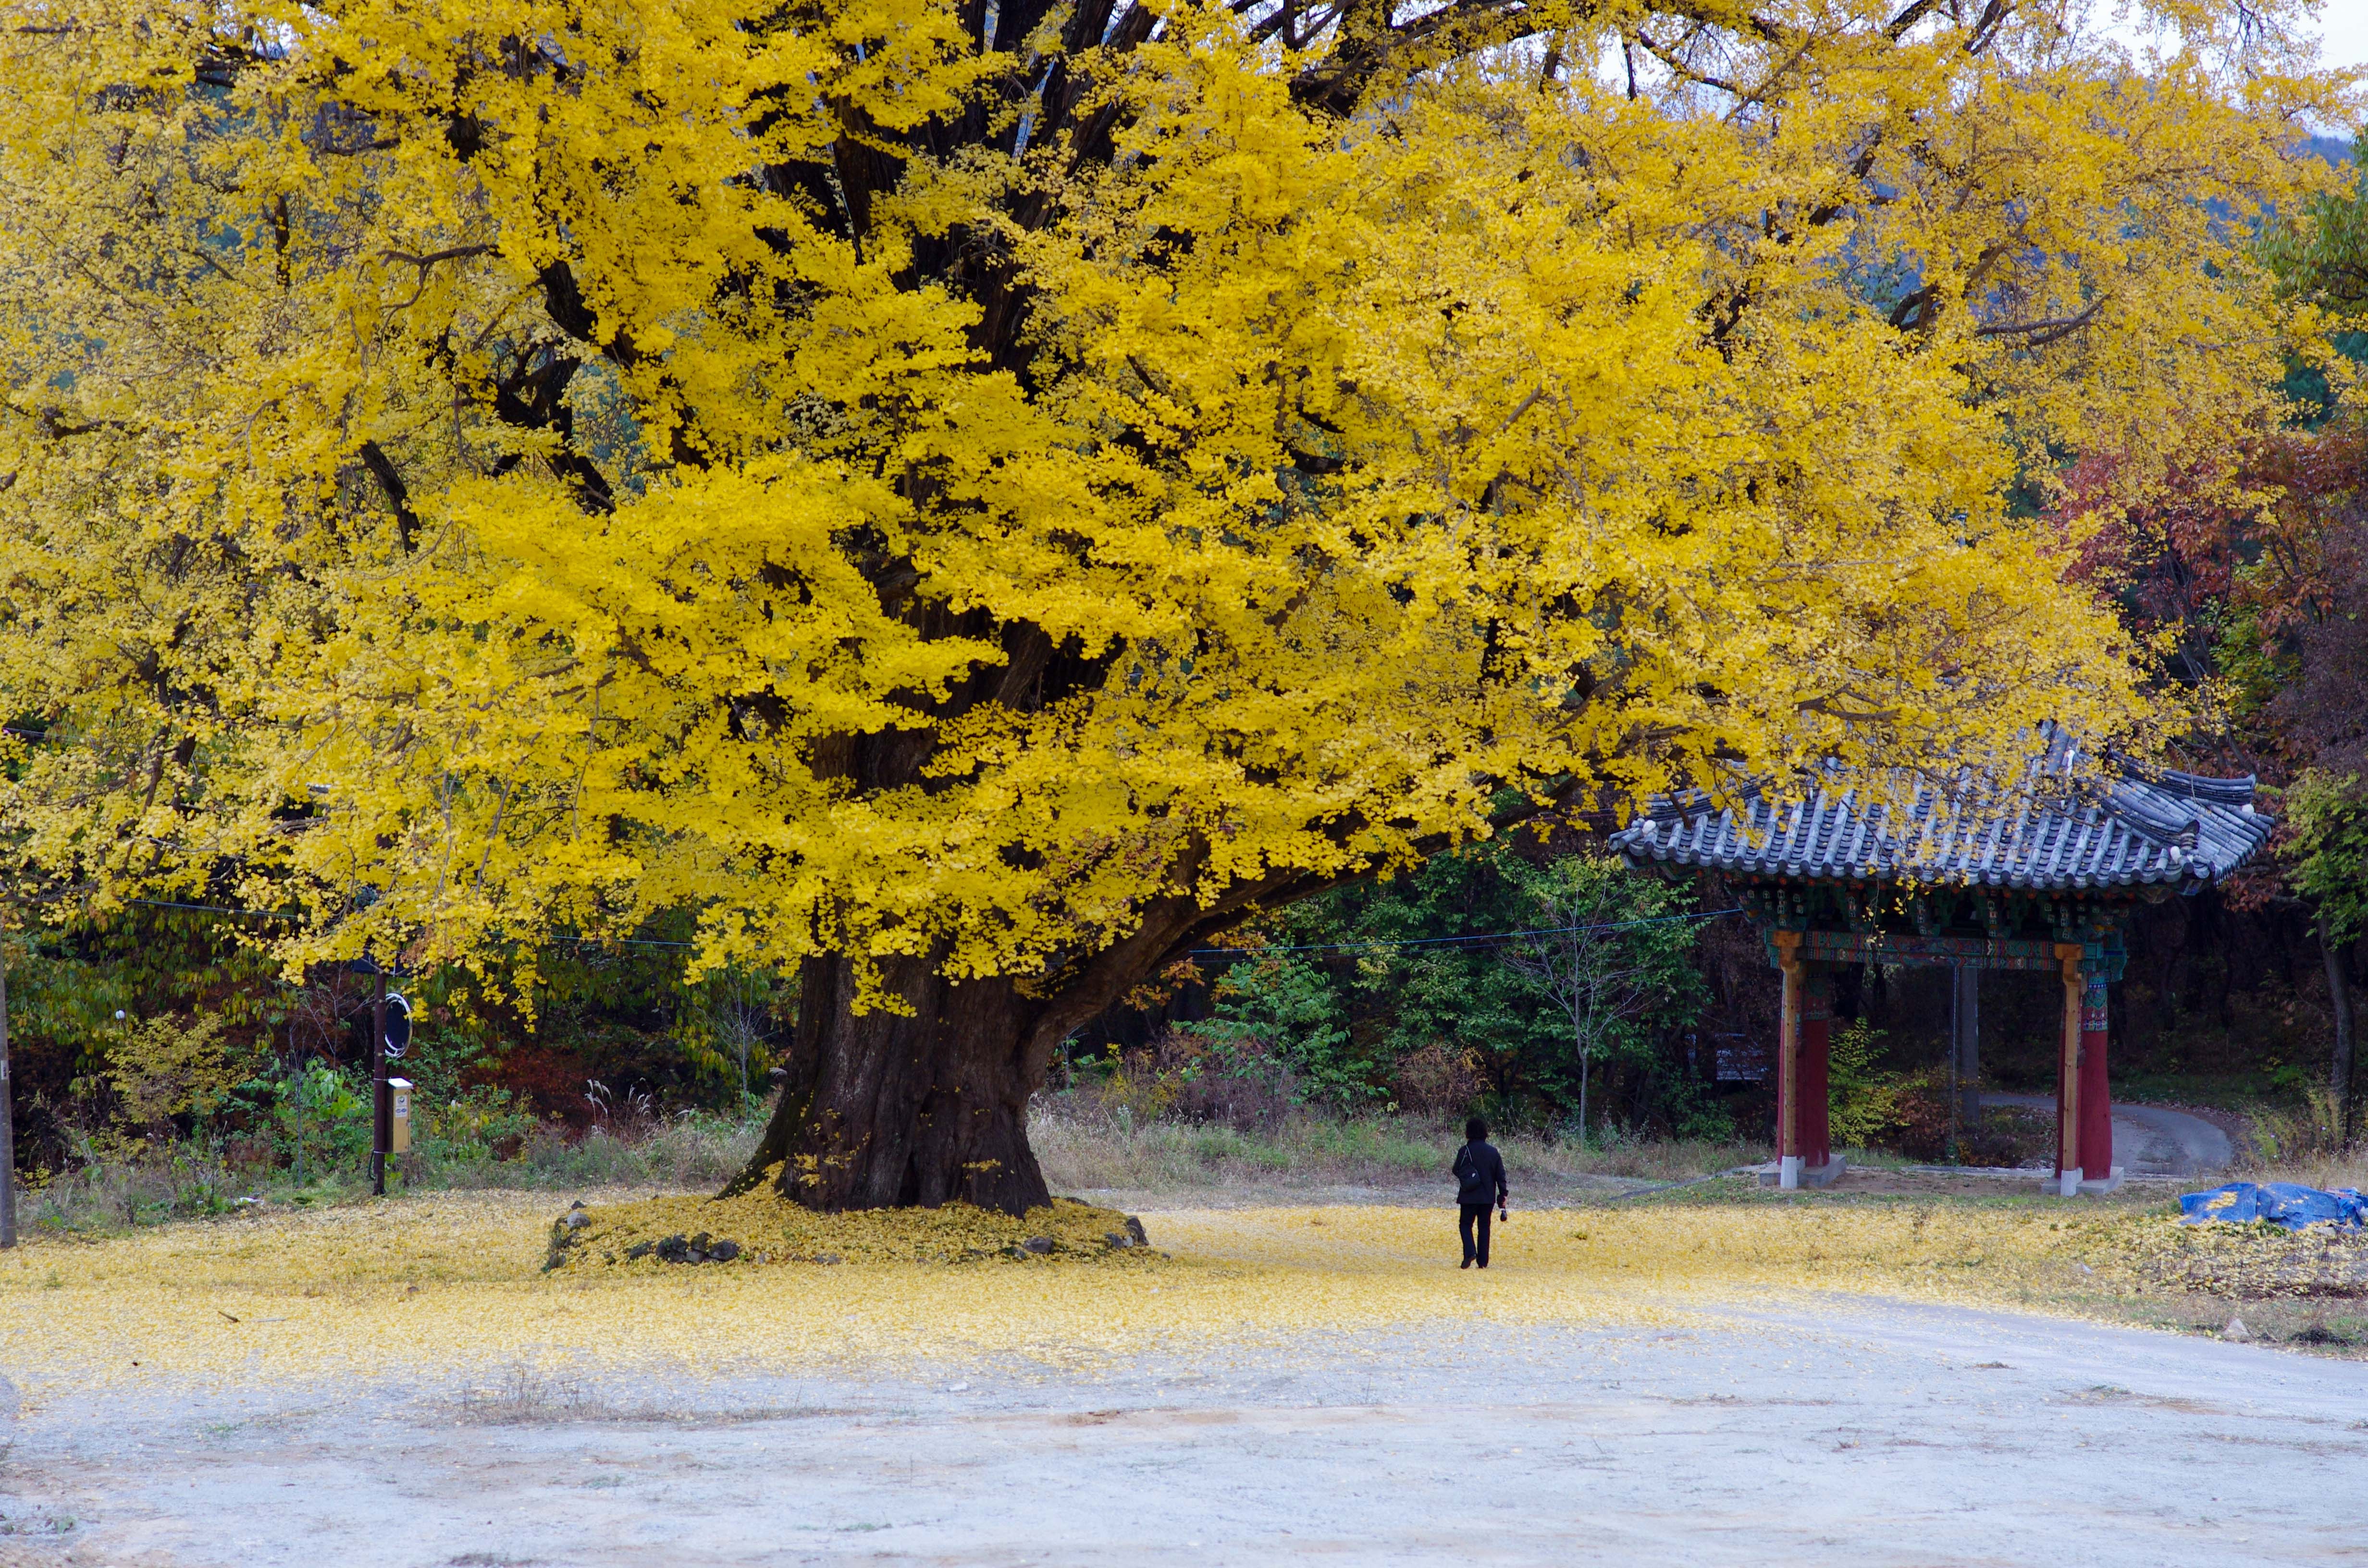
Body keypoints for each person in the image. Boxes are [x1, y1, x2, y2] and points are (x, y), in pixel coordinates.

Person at [1452, 1116, 1509, 1269]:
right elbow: (1500, 1175)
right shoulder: (1493, 1152)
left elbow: (1456, 1170)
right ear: (1485, 1132)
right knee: (1484, 1227)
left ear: (1469, 1132)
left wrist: (1468, 1175)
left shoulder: (1465, 1151)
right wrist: (1503, 1194)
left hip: (1469, 1195)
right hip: (1487, 1197)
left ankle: (1470, 1252)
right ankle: (1483, 1262)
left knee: (1465, 1224)